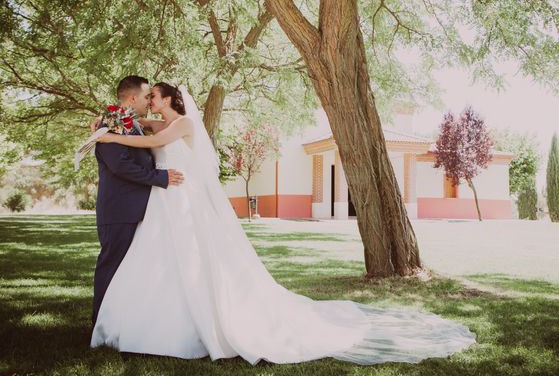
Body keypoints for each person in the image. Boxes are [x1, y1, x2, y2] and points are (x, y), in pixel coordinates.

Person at [90, 82, 476, 365]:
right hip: (165, 202)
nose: (150, 102)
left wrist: (109, 136)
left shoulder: (185, 124)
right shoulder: (159, 125)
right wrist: (107, 123)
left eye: (155, 96)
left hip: (182, 199)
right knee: (162, 260)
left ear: (171, 99)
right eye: (148, 98)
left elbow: (141, 143)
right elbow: (139, 128)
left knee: (195, 260)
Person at [92, 76, 184, 327]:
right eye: (146, 96)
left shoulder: (131, 123)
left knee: (131, 270)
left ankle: (126, 322)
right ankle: (102, 325)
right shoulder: (109, 124)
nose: (149, 101)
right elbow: (120, 165)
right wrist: (160, 178)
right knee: (112, 265)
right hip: (119, 209)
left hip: (141, 208)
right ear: (133, 98)